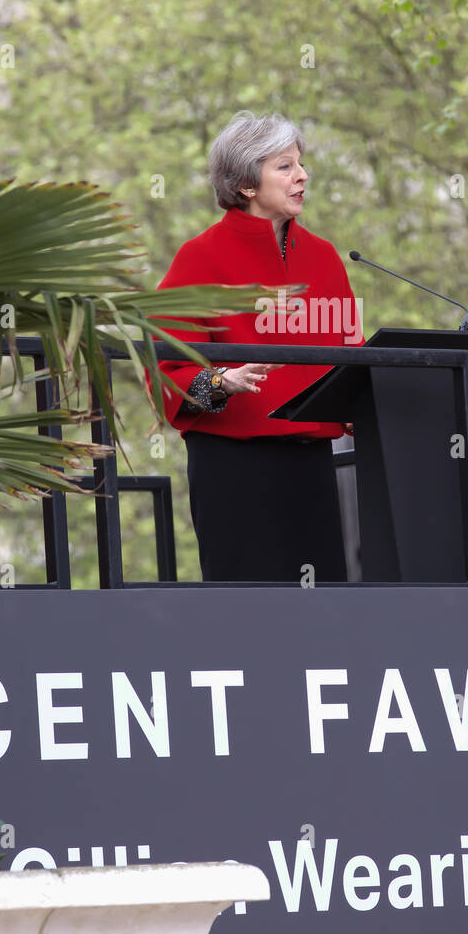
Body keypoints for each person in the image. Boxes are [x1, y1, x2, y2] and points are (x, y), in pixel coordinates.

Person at [151, 109, 364, 582]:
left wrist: (363, 402)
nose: (302, 175)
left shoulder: (325, 256)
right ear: (247, 184)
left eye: (301, 164)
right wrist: (220, 382)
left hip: (311, 465)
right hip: (233, 465)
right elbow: (165, 363)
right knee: (247, 617)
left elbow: (353, 354)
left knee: (320, 615)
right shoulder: (200, 256)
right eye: (284, 166)